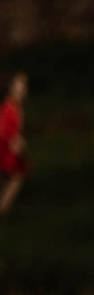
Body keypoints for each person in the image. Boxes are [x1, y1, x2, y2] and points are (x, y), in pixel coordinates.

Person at [0, 75, 27, 216]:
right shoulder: (9, 106)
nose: (23, 89)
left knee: (9, 177)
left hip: (9, 146)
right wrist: (14, 141)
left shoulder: (15, 106)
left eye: (23, 85)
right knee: (15, 176)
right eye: (19, 85)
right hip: (6, 147)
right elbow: (3, 128)